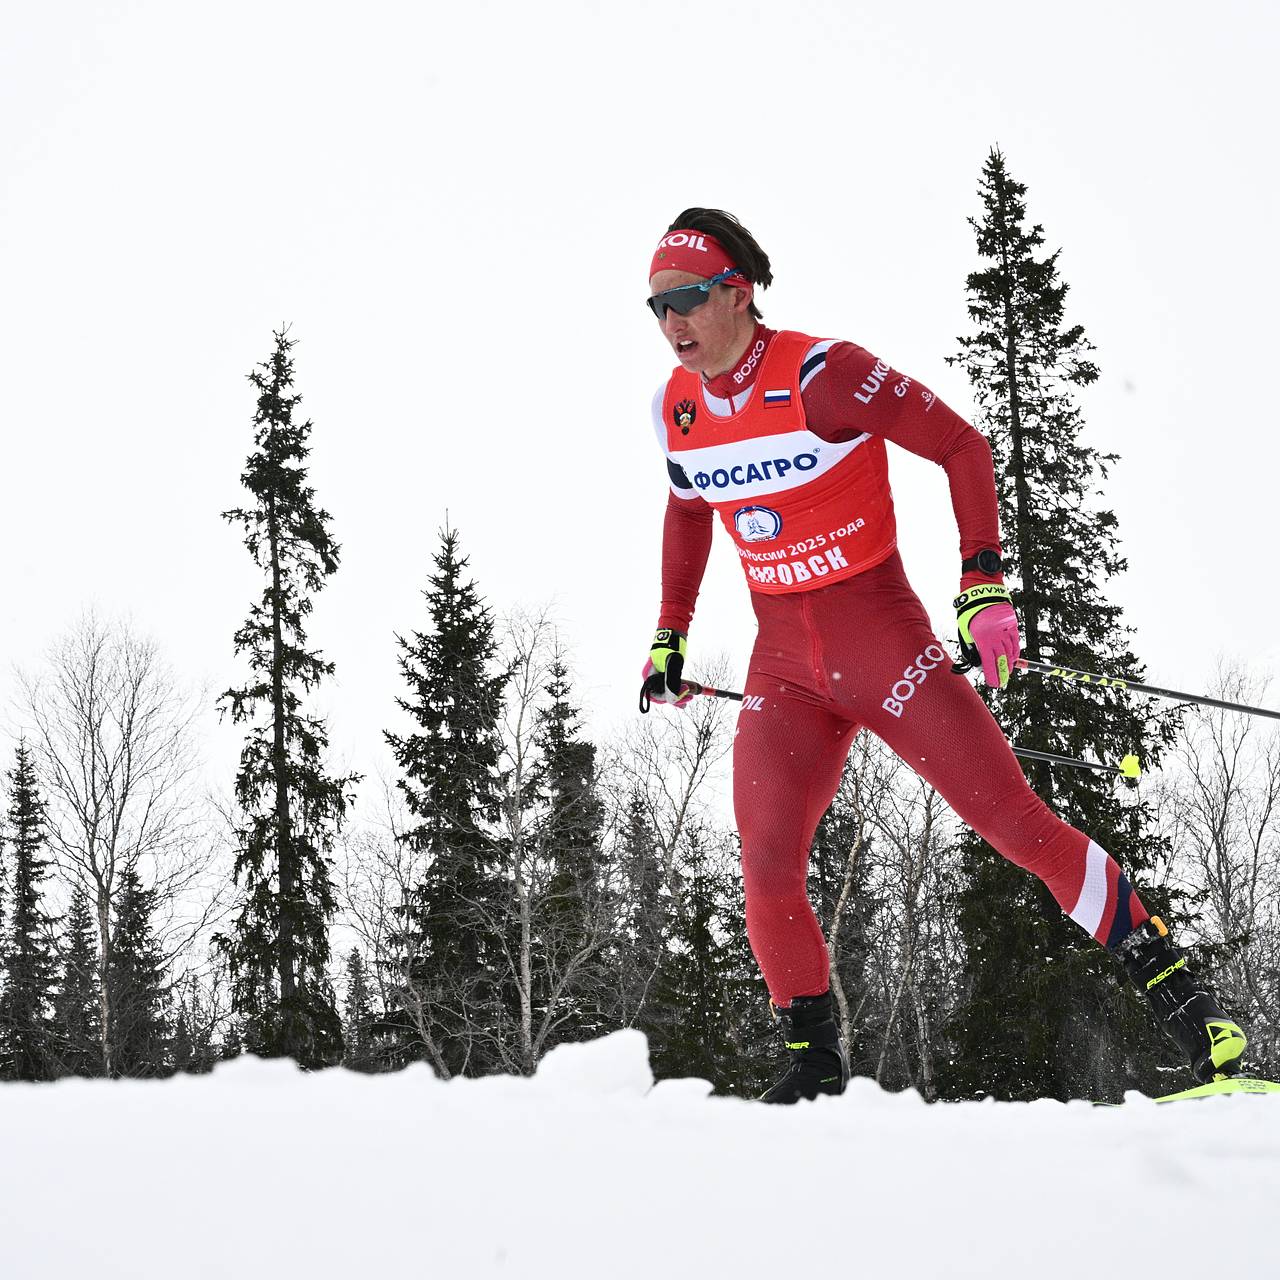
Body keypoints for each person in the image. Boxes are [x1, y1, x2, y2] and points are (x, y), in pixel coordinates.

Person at [639, 208, 1247, 1103]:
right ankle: (813, 1071)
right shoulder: (676, 409)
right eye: (655, 306)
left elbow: (962, 445)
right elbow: (689, 508)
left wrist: (983, 583)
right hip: (784, 668)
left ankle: (1200, 1023)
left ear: (737, 291)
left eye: (686, 298)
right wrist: (670, 631)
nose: (670, 322)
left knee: (1017, 827)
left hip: (882, 645)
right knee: (765, 865)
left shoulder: (822, 373)